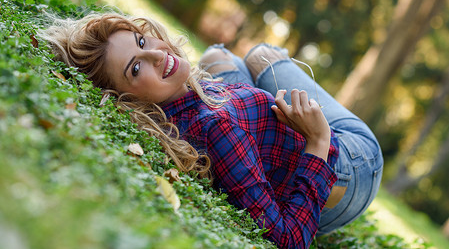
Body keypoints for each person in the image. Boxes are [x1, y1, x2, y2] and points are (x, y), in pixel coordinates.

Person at [40, 13, 383, 249]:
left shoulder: (180, 105)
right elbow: (287, 239)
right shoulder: (216, 126)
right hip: (350, 168)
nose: (157, 55)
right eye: (136, 67)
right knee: (262, 55)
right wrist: (318, 139)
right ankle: (265, 67)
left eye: (142, 41)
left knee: (218, 55)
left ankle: (228, 68)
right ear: (126, 99)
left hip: (263, 127)